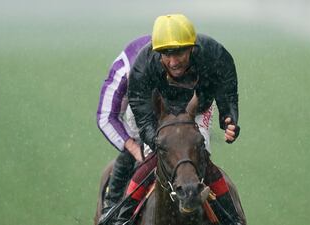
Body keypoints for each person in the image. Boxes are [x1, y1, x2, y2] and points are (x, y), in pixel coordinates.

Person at [113, 14, 242, 225]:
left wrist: (229, 118)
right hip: (157, 113)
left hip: (197, 108)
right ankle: (122, 217)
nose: (173, 62)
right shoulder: (143, 65)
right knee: (157, 155)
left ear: (192, 47)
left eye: (179, 53)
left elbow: (227, 87)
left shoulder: (214, 54)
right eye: (166, 54)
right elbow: (141, 110)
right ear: (157, 53)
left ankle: (233, 219)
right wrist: (155, 140)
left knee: (200, 153)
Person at [96, 35, 151, 219]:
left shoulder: (186, 62)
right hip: (136, 111)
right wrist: (134, 148)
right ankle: (111, 209)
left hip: (176, 105)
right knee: (132, 153)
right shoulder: (124, 71)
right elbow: (106, 117)